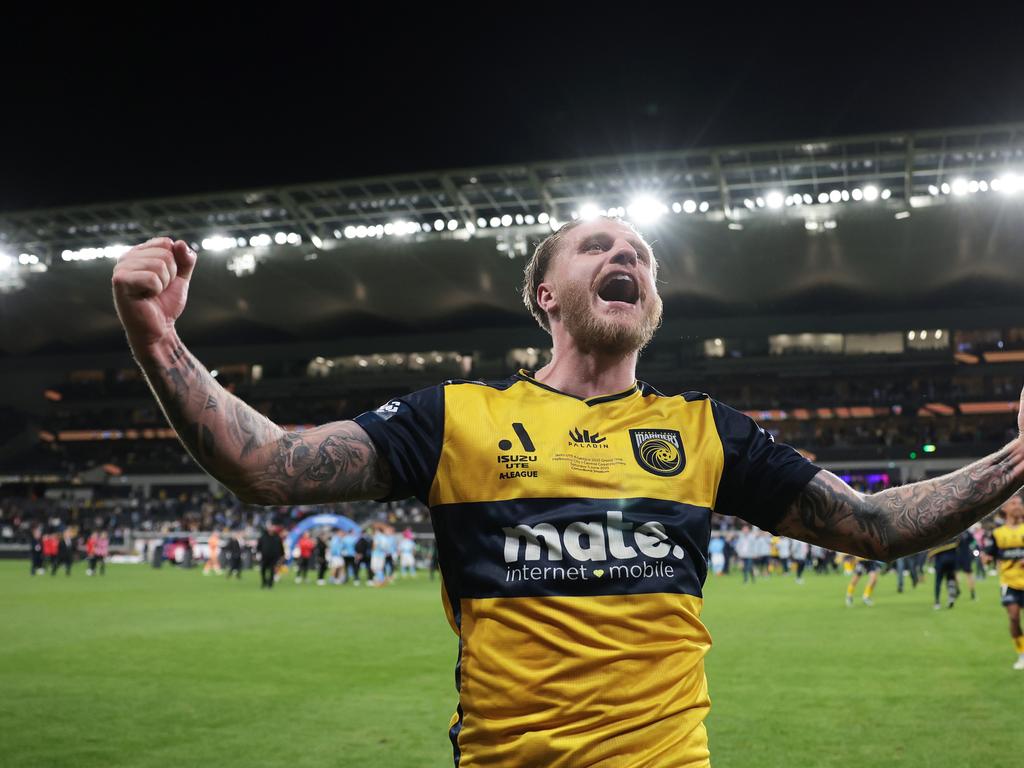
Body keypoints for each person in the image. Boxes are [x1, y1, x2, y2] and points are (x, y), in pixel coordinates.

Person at [113, 223, 1024, 766]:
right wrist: (155, 339)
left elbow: (873, 525)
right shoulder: (455, 419)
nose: (626, 254)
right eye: (600, 247)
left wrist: (1015, 459)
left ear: (652, 301)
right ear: (547, 293)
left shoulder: (708, 431)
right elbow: (267, 464)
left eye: (641, 255)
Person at [984, 494, 1024, 669]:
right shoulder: (998, 533)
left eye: (1020, 503)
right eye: (1013, 503)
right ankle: (1022, 653)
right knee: (1014, 618)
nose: (1017, 506)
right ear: (1004, 508)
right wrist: (984, 559)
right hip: (1009, 582)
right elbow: (987, 554)